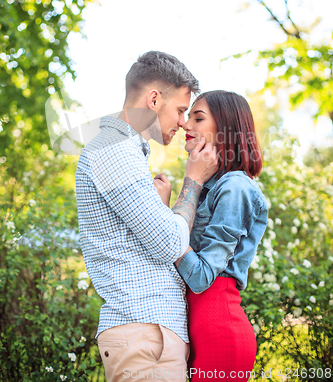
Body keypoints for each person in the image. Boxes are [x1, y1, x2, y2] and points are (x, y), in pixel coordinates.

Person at [75, 51, 218, 382]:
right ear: (154, 99)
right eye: (182, 110)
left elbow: (153, 240)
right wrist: (193, 180)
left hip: (150, 335)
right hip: (143, 334)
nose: (184, 122)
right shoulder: (114, 151)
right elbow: (170, 243)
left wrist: (163, 212)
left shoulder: (127, 153)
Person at [172, 90, 269, 381]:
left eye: (197, 118)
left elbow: (201, 278)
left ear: (226, 128)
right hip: (198, 327)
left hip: (219, 326)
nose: (186, 125)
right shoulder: (206, 186)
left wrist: (164, 231)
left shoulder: (235, 187)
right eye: (187, 116)